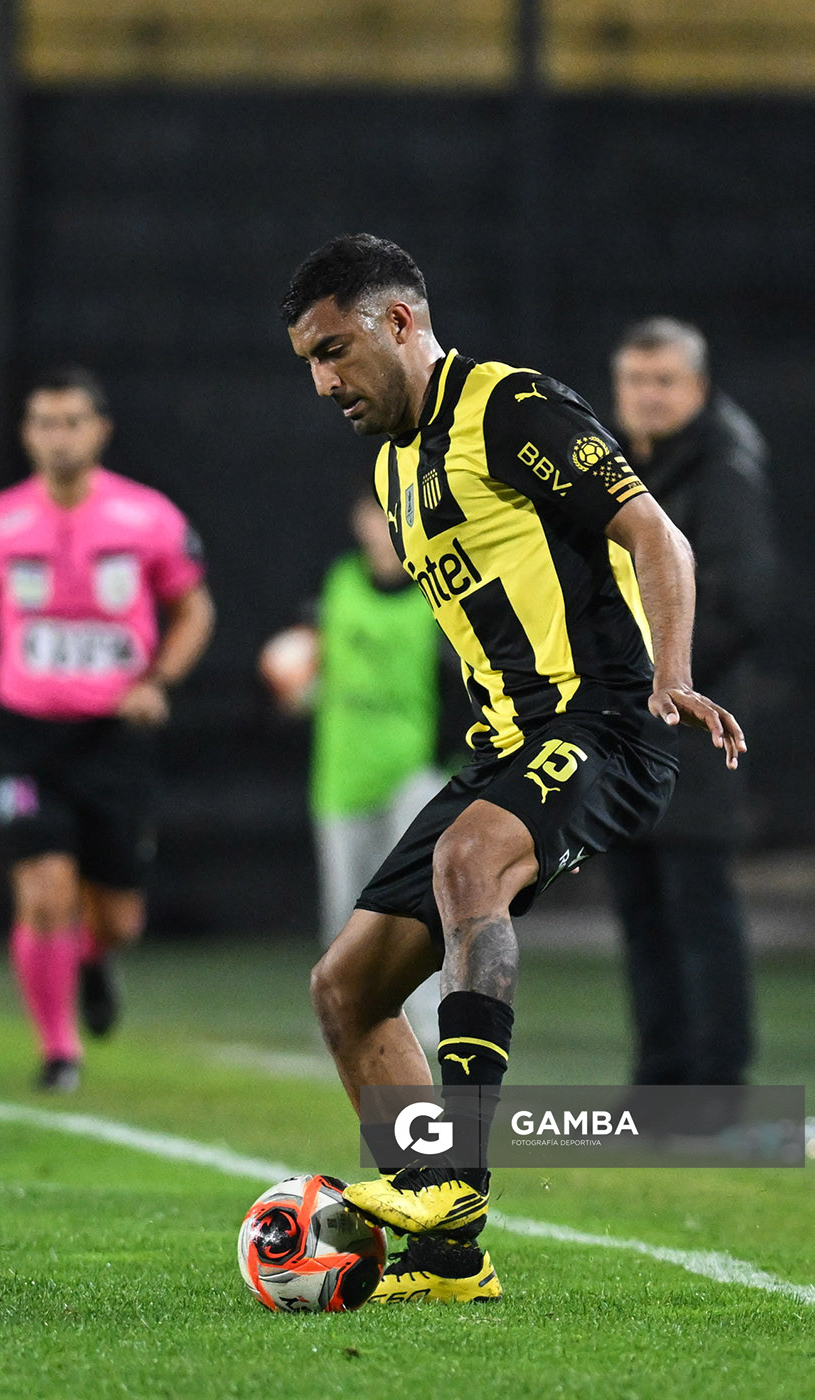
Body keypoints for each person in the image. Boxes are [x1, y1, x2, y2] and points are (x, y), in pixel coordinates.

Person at [281, 234, 745, 1304]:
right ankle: (449, 1261)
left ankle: (456, 1181)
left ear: (400, 320)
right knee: (345, 989)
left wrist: (670, 673)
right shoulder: (393, 465)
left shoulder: (510, 406)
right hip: (506, 745)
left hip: (604, 725)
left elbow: (656, 535)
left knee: (467, 858)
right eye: (308, 360)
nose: (323, 381)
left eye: (336, 349)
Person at [0, 367, 215, 1091]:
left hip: (113, 743)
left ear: (100, 431)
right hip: (26, 738)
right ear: (26, 434)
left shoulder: (148, 517)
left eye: (71, 422)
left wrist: (156, 683)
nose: (57, 436)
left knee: (120, 917)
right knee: (43, 893)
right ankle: (59, 1050)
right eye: (42, 423)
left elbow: (194, 610)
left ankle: (95, 959)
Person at [606, 318, 774, 1086]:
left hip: (696, 733)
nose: (646, 395)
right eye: (634, 380)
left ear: (698, 390)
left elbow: (742, 601)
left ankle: (716, 1081)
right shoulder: (620, 465)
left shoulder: (721, 469)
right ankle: (661, 1079)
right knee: (641, 907)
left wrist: (663, 677)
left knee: (695, 907)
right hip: (629, 730)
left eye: (663, 381)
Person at [260, 489, 451, 1044]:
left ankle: (434, 1027)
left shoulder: (439, 592)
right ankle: (355, 1023)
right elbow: (305, 675)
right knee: (347, 914)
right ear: (360, 520)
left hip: (417, 773)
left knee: (418, 904)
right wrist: (292, 687)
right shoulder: (337, 586)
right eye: (377, 513)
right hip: (342, 773)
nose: (387, 526)